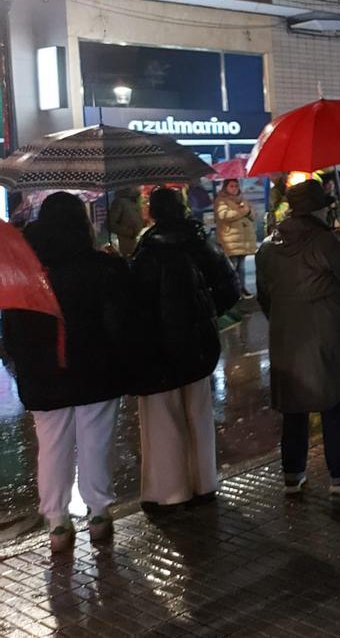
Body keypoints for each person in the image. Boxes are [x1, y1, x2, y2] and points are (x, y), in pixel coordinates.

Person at [1, 193, 135, 552]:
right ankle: (98, 512)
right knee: (96, 441)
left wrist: (23, 365)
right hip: (97, 373)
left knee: (52, 446)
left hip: (43, 376)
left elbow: (11, 329)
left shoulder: (24, 272)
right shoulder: (103, 267)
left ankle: (57, 522)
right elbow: (122, 322)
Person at [255, 180, 340, 495]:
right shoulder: (325, 242)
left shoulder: (267, 246)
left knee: (294, 408)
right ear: (319, 208)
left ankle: (293, 473)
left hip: (285, 339)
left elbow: (264, 297)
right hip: (326, 337)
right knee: (333, 403)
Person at [131, 187, 239, 509]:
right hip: (199, 344)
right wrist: (205, 314)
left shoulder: (147, 251)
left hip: (160, 347)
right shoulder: (200, 243)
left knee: (164, 416)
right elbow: (229, 289)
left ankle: (170, 492)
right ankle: (205, 483)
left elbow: (136, 303)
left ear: (153, 212)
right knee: (199, 412)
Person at [214, 179, 257, 297]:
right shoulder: (221, 200)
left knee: (242, 268)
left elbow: (253, 214)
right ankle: (232, 290)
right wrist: (242, 210)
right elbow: (223, 215)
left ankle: (242, 288)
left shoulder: (243, 199)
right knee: (232, 267)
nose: (234, 188)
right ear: (225, 187)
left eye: (236, 186)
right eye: (231, 186)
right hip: (230, 239)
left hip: (244, 239)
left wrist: (247, 211)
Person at [108, 186, 143, 257]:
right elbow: (111, 224)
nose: (139, 187)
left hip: (137, 240)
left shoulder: (134, 201)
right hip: (125, 243)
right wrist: (129, 232)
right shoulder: (120, 202)